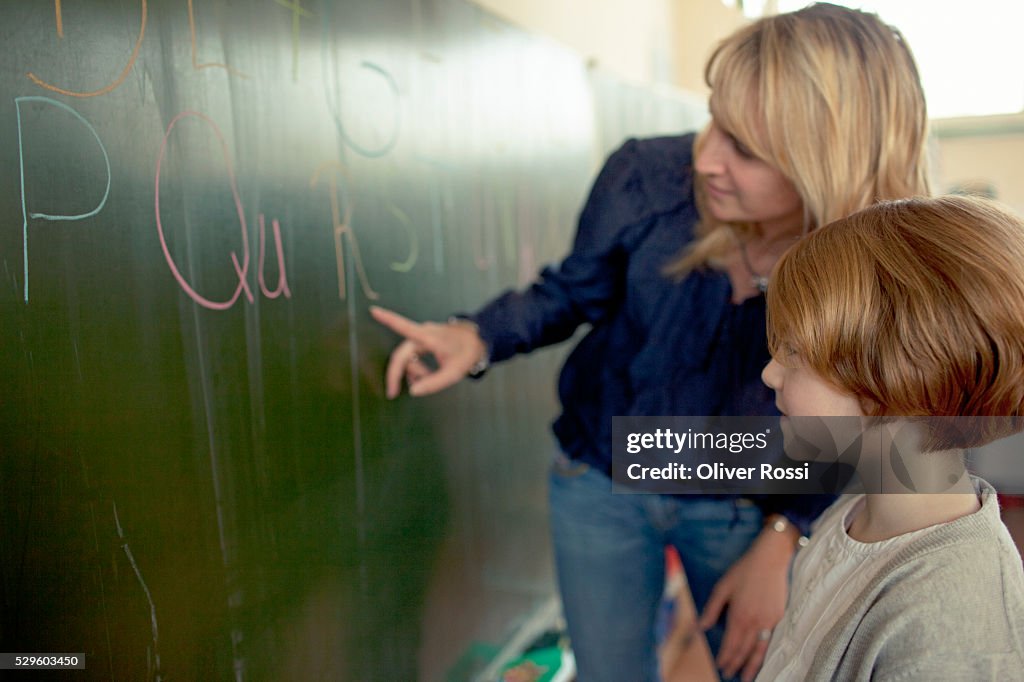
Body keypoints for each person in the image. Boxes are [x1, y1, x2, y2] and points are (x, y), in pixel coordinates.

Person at [371, 4, 930, 680]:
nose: (706, 158)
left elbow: (865, 426)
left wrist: (787, 536)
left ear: (828, 166)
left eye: (746, 149)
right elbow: (573, 291)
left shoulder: (877, 264)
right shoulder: (645, 176)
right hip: (599, 478)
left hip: (753, 502)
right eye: (713, 119)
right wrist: (477, 335)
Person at [758, 195, 1024, 680]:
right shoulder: (854, 507)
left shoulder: (955, 630)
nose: (770, 374)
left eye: (794, 354)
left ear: (901, 375)